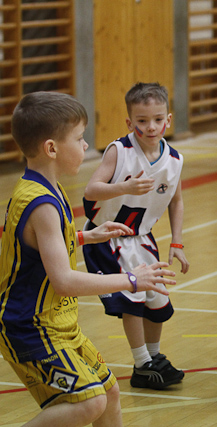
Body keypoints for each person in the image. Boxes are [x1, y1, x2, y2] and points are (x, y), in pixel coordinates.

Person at [0, 91, 176, 427]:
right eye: (79, 139)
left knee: (108, 392)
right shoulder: (41, 203)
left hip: (56, 321)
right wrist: (132, 279)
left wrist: (84, 236)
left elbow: (33, 247)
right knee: (88, 402)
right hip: (29, 325)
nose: (85, 146)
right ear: (51, 148)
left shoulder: (45, 187)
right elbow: (64, 280)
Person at [82, 82, 189, 390]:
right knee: (134, 297)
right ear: (130, 123)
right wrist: (123, 188)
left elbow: (177, 201)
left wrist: (177, 243)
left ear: (168, 120)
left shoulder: (175, 160)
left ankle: (153, 359)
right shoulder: (119, 151)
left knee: (158, 299)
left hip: (143, 238)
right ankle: (141, 363)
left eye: (157, 119)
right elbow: (91, 190)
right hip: (107, 236)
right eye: (142, 121)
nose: (151, 126)